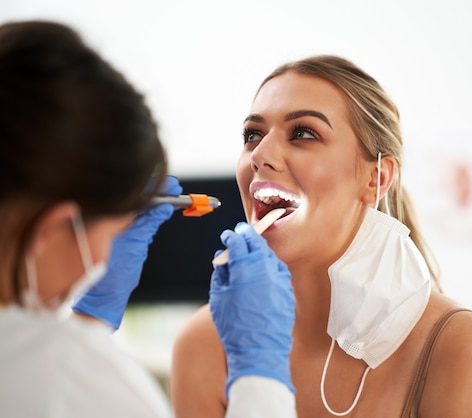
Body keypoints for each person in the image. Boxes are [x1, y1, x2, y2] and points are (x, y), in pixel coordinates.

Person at [170, 55, 472, 418]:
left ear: (375, 179)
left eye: (303, 133)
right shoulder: (205, 343)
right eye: (253, 135)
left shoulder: (458, 347)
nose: (261, 154)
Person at [0, 19, 296, 418]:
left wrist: (89, 320)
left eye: (304, 134)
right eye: (110, 235)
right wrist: (260, 376)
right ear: (51, 228)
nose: (262, 156)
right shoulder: (66, 369)